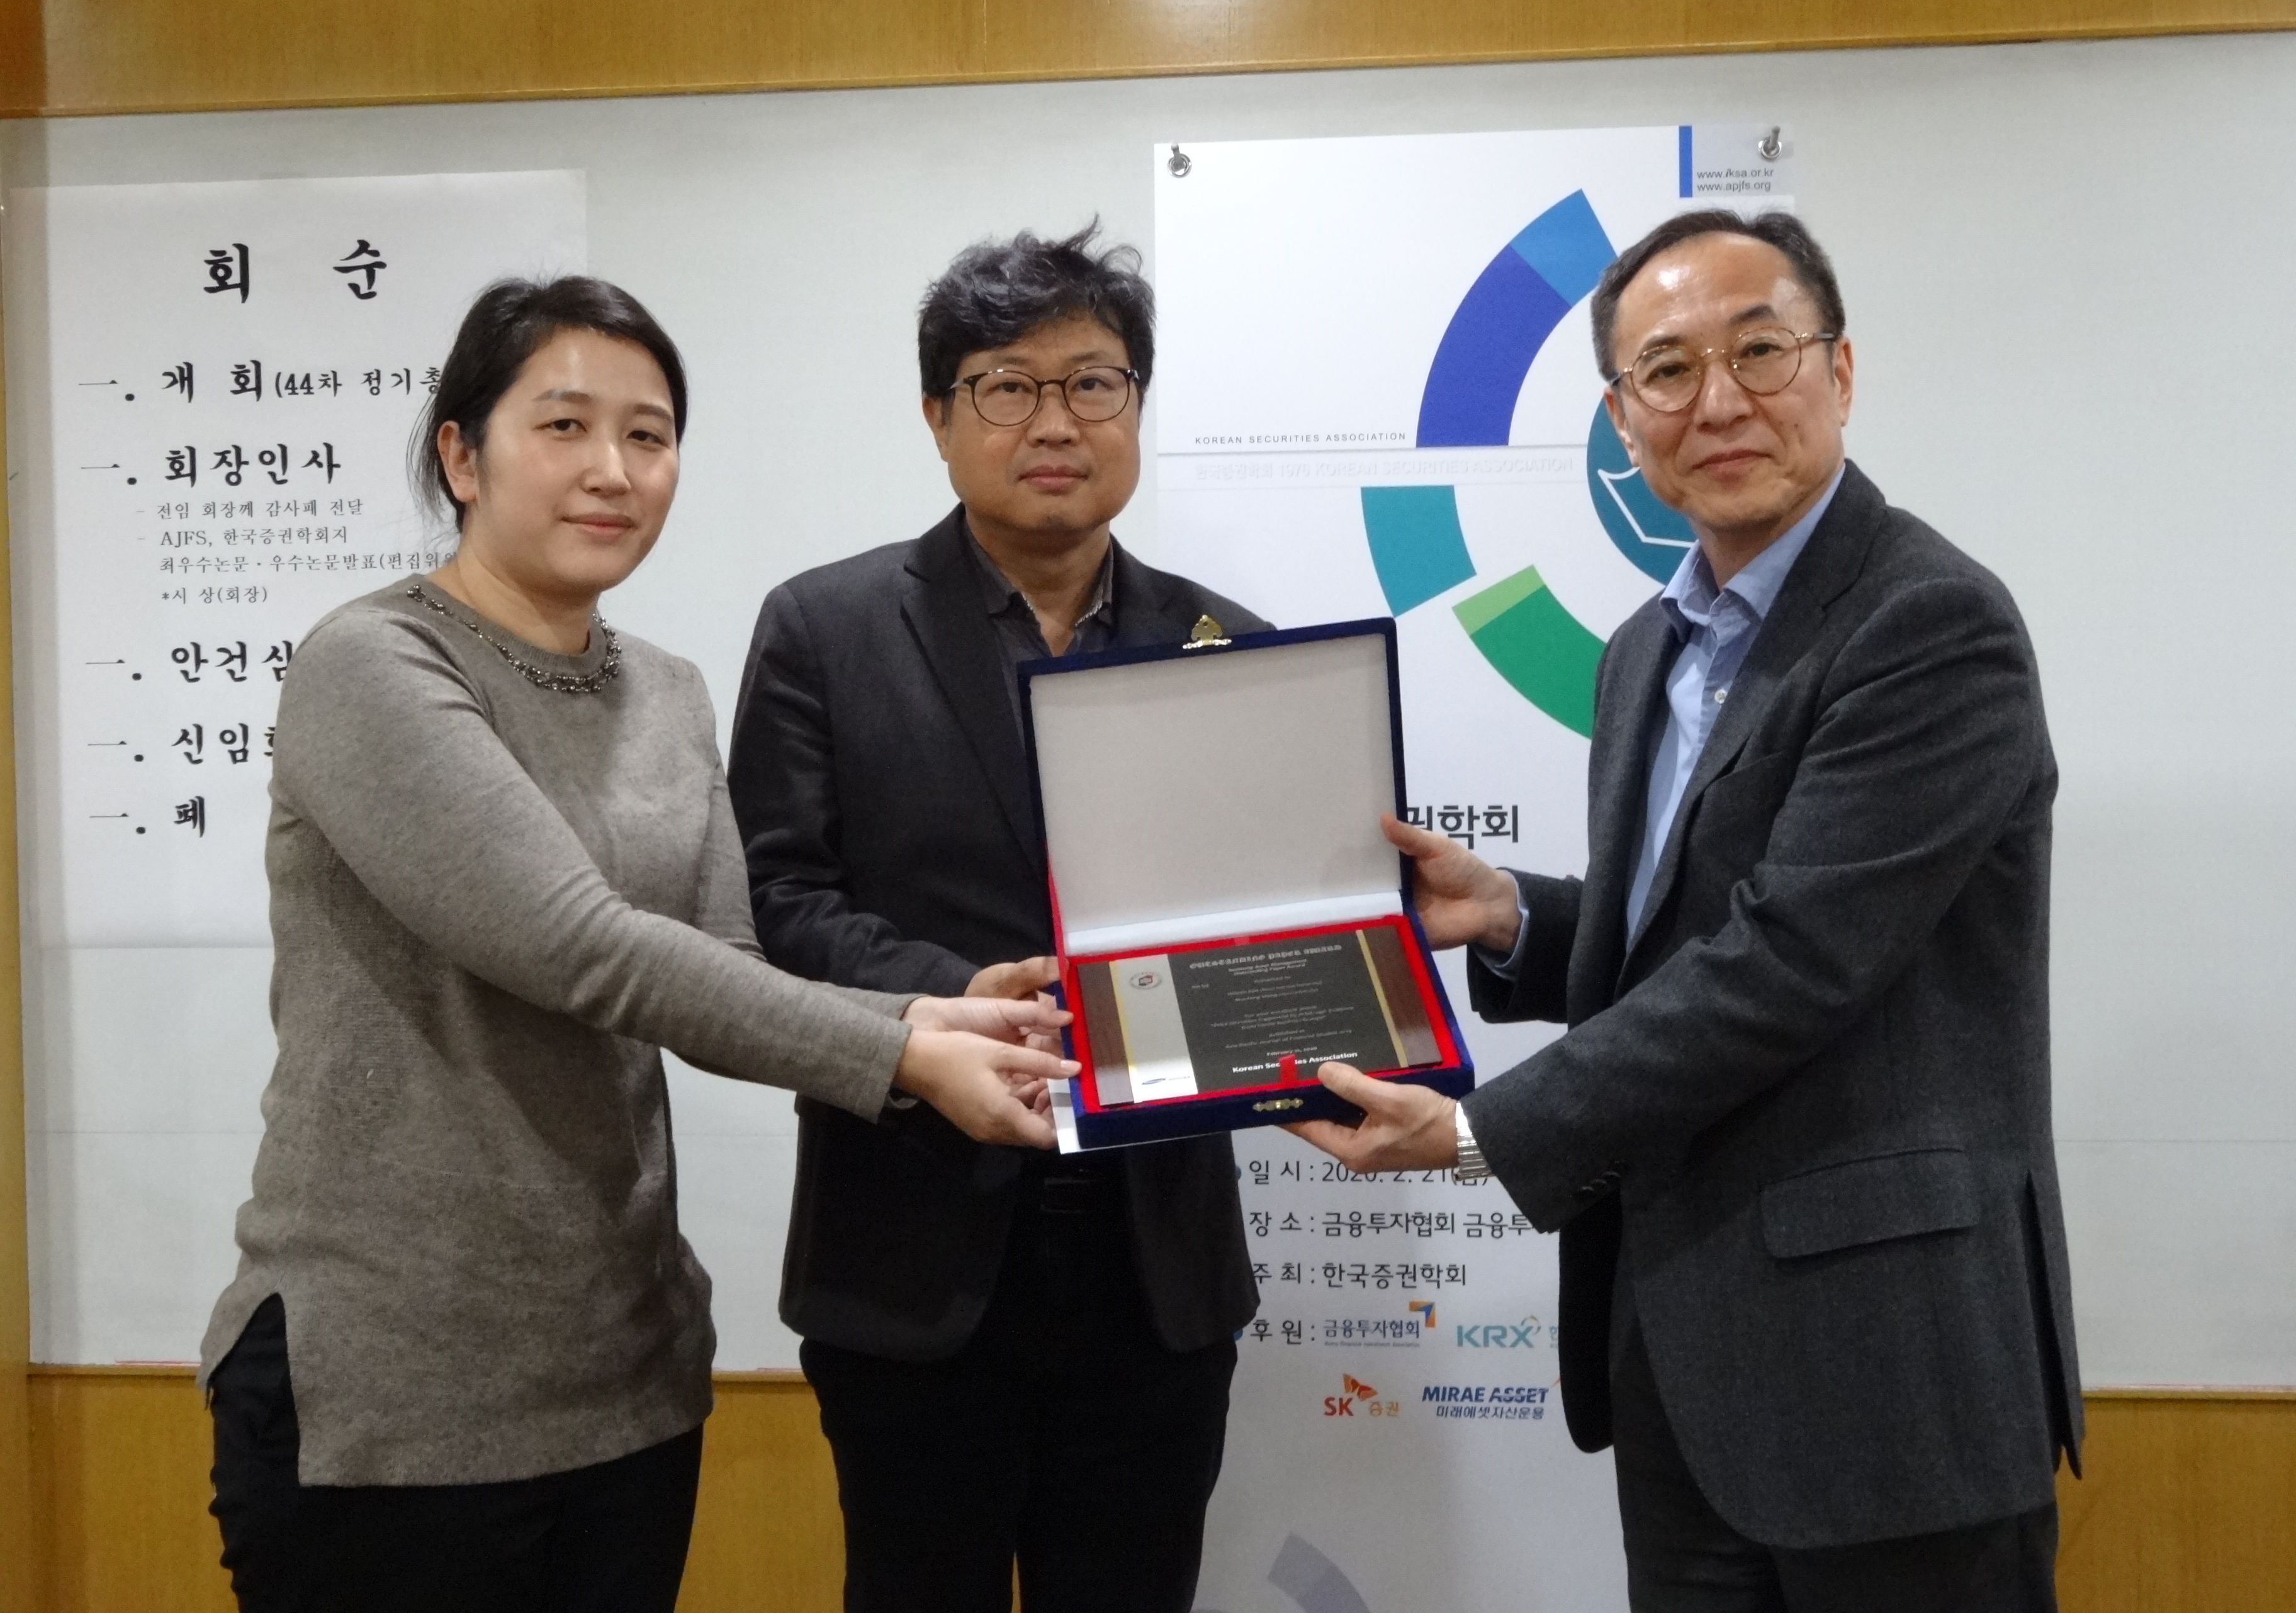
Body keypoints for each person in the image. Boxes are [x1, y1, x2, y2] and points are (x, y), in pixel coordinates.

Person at [198, 276, 1076, 1613]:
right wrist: (908, 1047)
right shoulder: (374, 663)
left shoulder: (664, 689)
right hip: (393, 1388)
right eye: (564, 425)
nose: (612, 470)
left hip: (626, 1371)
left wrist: (939, 1010)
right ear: (462, 455)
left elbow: (725, 967)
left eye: (649, 435)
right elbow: (581, 946)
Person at [1291, 211, 2081, 1612]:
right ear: (1621, 418)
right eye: (1666, 369)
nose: (1717, 402)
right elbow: (1691, 936)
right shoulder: (1648, 649)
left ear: (1841, 370)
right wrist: (1514, 916)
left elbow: (1790, 962)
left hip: (1890, 1371)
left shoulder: (1928, 622)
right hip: (1681, 1358)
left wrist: (1474, 1134)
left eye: (1759, 351)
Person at [726, 226, 1263, 1612]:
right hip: (911, 1251)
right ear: (938, 414)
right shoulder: (825, 628)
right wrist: (962, 997)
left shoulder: (1232, 649)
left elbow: (1268, 921)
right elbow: (777, 904)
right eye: (1008, 387)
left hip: (1156, 1265)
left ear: (1136, 404)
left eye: (1094, 383)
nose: (1056, 423)